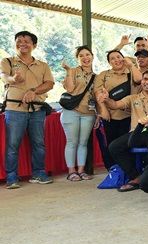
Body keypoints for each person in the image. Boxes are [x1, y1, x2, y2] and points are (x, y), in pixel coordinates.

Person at [97, 70, 148, 192]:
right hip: (136, 132)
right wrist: (106, 99)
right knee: (114, 147)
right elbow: (114, 105)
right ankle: (136, 177)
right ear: (141, 81)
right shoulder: (132, 98)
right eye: (145, 79)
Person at [1, 31, 55, 188]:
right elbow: (3, 75)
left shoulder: (43, 65)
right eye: (19, 41)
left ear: (34, 45)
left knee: (39, 143)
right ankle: (12, 177)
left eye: (26, 41)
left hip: (37, 109)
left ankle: (39, 173)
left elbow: (49, 84)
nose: (22, 43)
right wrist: (13, 79)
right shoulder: (8, 61)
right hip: (14, 109)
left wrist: (34, 91)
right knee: (12, 144)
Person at [93, 50, 142, 170]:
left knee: (128, 144)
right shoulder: (103, 75)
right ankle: (113, 170)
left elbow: (139, 80)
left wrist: (131, 65)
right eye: (112, 59)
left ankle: (128, 170)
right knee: (111, 144)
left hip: (129, 115)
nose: (116, 60)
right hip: (110, 115)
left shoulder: (131, 72)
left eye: (119, 57)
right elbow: (98, 93)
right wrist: (103, 110)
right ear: (109, 62)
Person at [60, 46, 97, 182]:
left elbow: (96, 97)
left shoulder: (96, 76)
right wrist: (69, 71)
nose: (85, 58)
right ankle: (71, 172)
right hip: (71, 111)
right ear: (77, 59)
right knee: (72, 142)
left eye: (87, 54)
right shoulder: (73, 71)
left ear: (92, 56)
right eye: (81, 56)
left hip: (89, 113)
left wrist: (98, 114)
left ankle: (81, 171)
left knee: (83, 143)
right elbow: (69, 88)